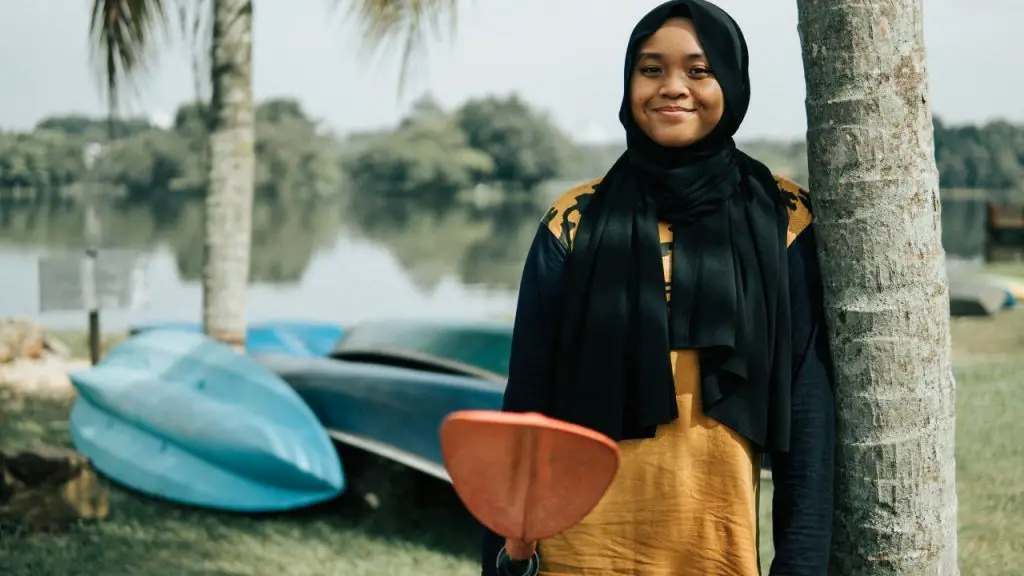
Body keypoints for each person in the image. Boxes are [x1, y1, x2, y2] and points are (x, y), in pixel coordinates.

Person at [479, 1, 835, 575]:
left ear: (733, 82)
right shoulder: (573, 221)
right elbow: (526, 401)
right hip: (578, 547)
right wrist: (501, 556)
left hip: (714, 546)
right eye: (651, 69)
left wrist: (800, 563)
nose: (673, 88)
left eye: (699, 70)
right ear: (628, 83)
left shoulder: (783, 219)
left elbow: (808, 411)